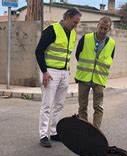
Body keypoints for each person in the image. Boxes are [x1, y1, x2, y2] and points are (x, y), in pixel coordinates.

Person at [35, 8, 81, 148]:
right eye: (74, 22)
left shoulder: (73, 33)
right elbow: (38, 51)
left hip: (64, 73)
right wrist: (44, 72)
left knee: (59, 104)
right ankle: (44, 134)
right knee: (47, 105)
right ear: (67, 17)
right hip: (51, 72)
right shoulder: (52, 30)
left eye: (78, 23)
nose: (76, 25)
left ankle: (54, 132)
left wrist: (67, 72)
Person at [75, 17, 115, 129]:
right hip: (84, 78)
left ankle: (95, 131)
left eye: (105, 29)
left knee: (98, 107)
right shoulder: (86, 38)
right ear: (97, 25)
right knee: (82, 106)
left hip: (99, 79)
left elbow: (110, 59)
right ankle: (84, 129)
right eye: (101, 27)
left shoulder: (111, 43)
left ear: (109, 29)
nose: (102, 31)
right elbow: (78, 55)